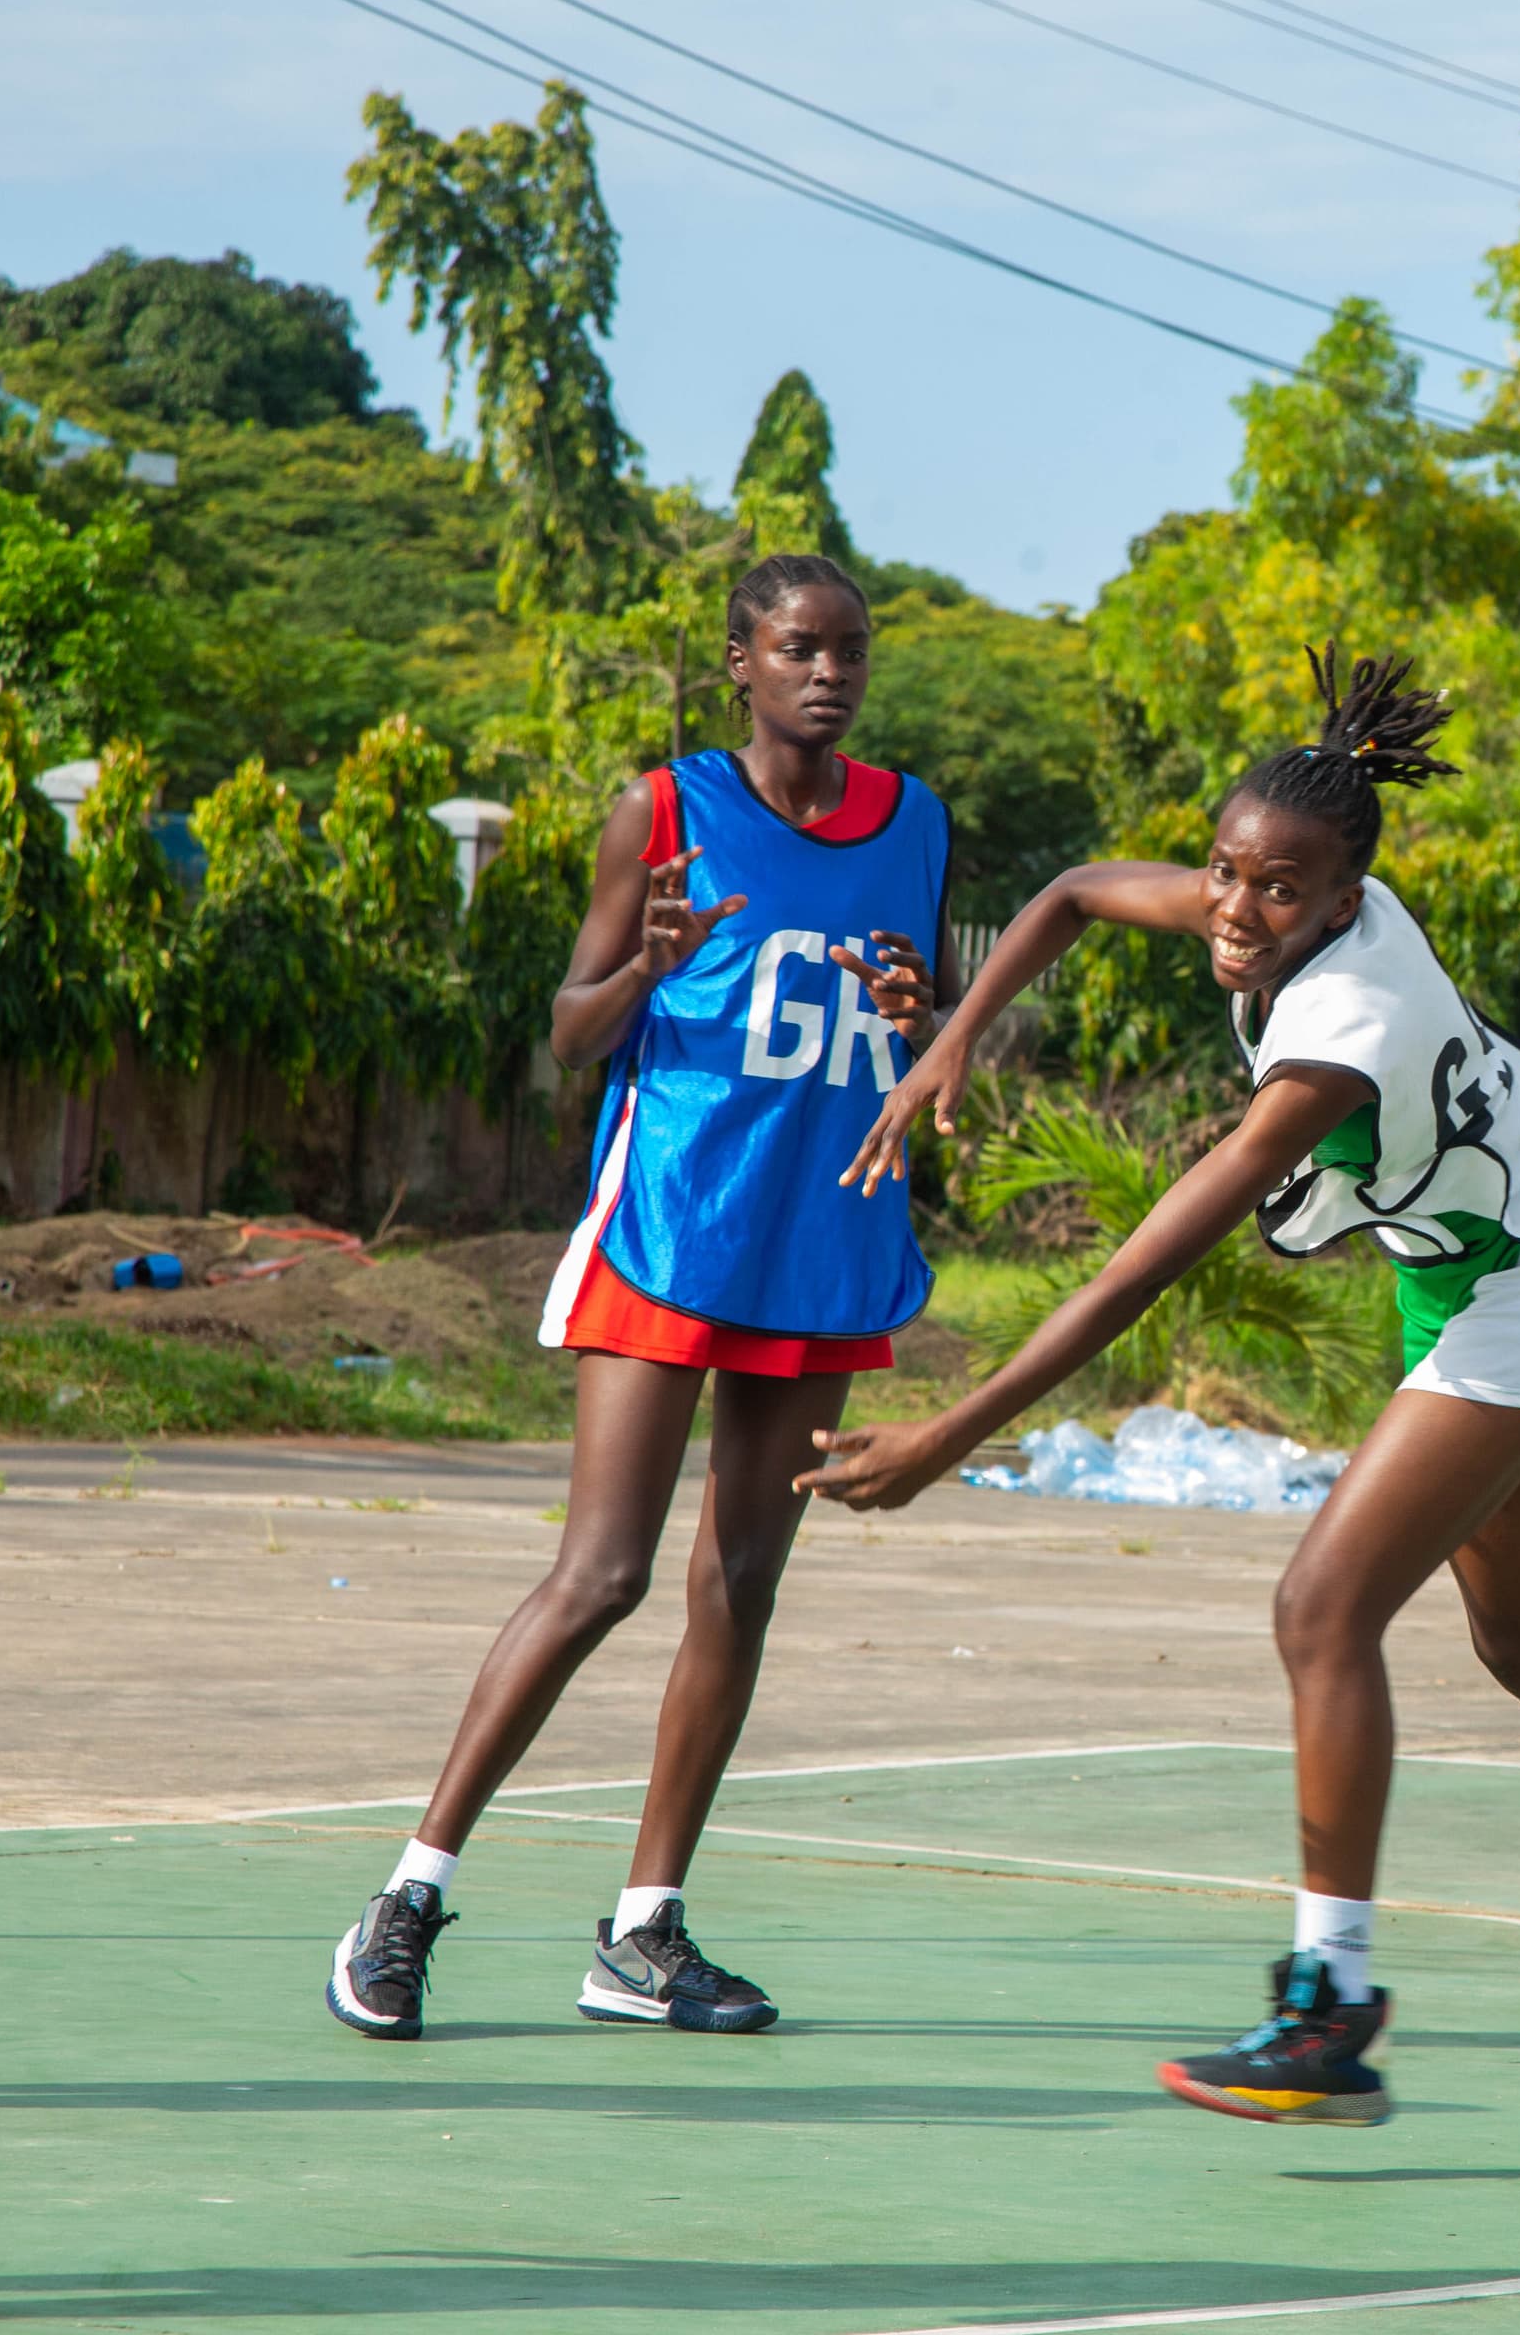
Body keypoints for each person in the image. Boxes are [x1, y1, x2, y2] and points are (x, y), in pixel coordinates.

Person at [796, 647, 1520, 2128]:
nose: (1235, 912)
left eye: (1278, 892)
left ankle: (1329, 2007)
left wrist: (953, 1429)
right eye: (1221, 872)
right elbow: (1068, 891)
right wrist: (949, 1033)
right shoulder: (1273, 907)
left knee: (1322, 1607)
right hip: (1462, 1267)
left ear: (1343, 903)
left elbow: (1139, 1271)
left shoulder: (1340, 1033)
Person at [327, 553, 950, 2043]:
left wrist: (929, 1020)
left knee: (741, 1582)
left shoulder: (915, 820)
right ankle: (406, 1899)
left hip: (821, 1238)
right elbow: (566, 1032)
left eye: (850, 650)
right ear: (738, 662)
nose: (830, 672)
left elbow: (923, 1008)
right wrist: (646, 972)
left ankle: (645, 1932)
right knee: (601, 1573)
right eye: (799, 647)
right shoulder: (663, 812)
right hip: (676, 1225)